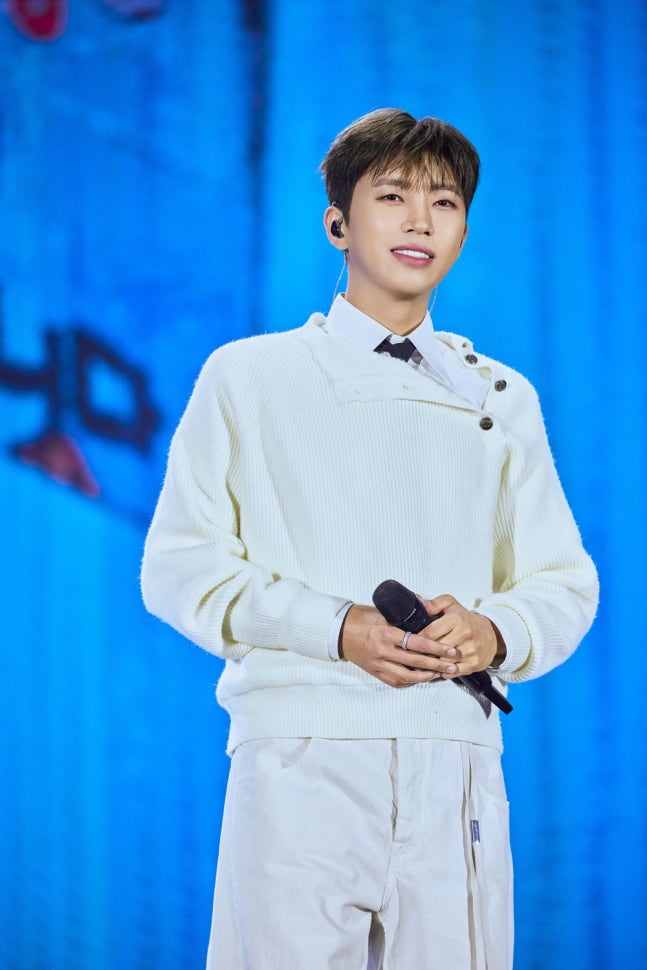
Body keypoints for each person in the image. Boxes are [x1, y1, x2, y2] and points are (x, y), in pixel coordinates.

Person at [141, 108, 598, 970]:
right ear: (337, 224)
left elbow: (562, 580)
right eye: (391, 196)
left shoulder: (501, 395)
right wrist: (334, 627)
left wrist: (496, 631)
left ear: (464, 230)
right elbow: (179, 567)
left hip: (453, 752)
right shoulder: (249, 375)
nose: (420, 220)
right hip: (299, 752)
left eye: (444, 202)